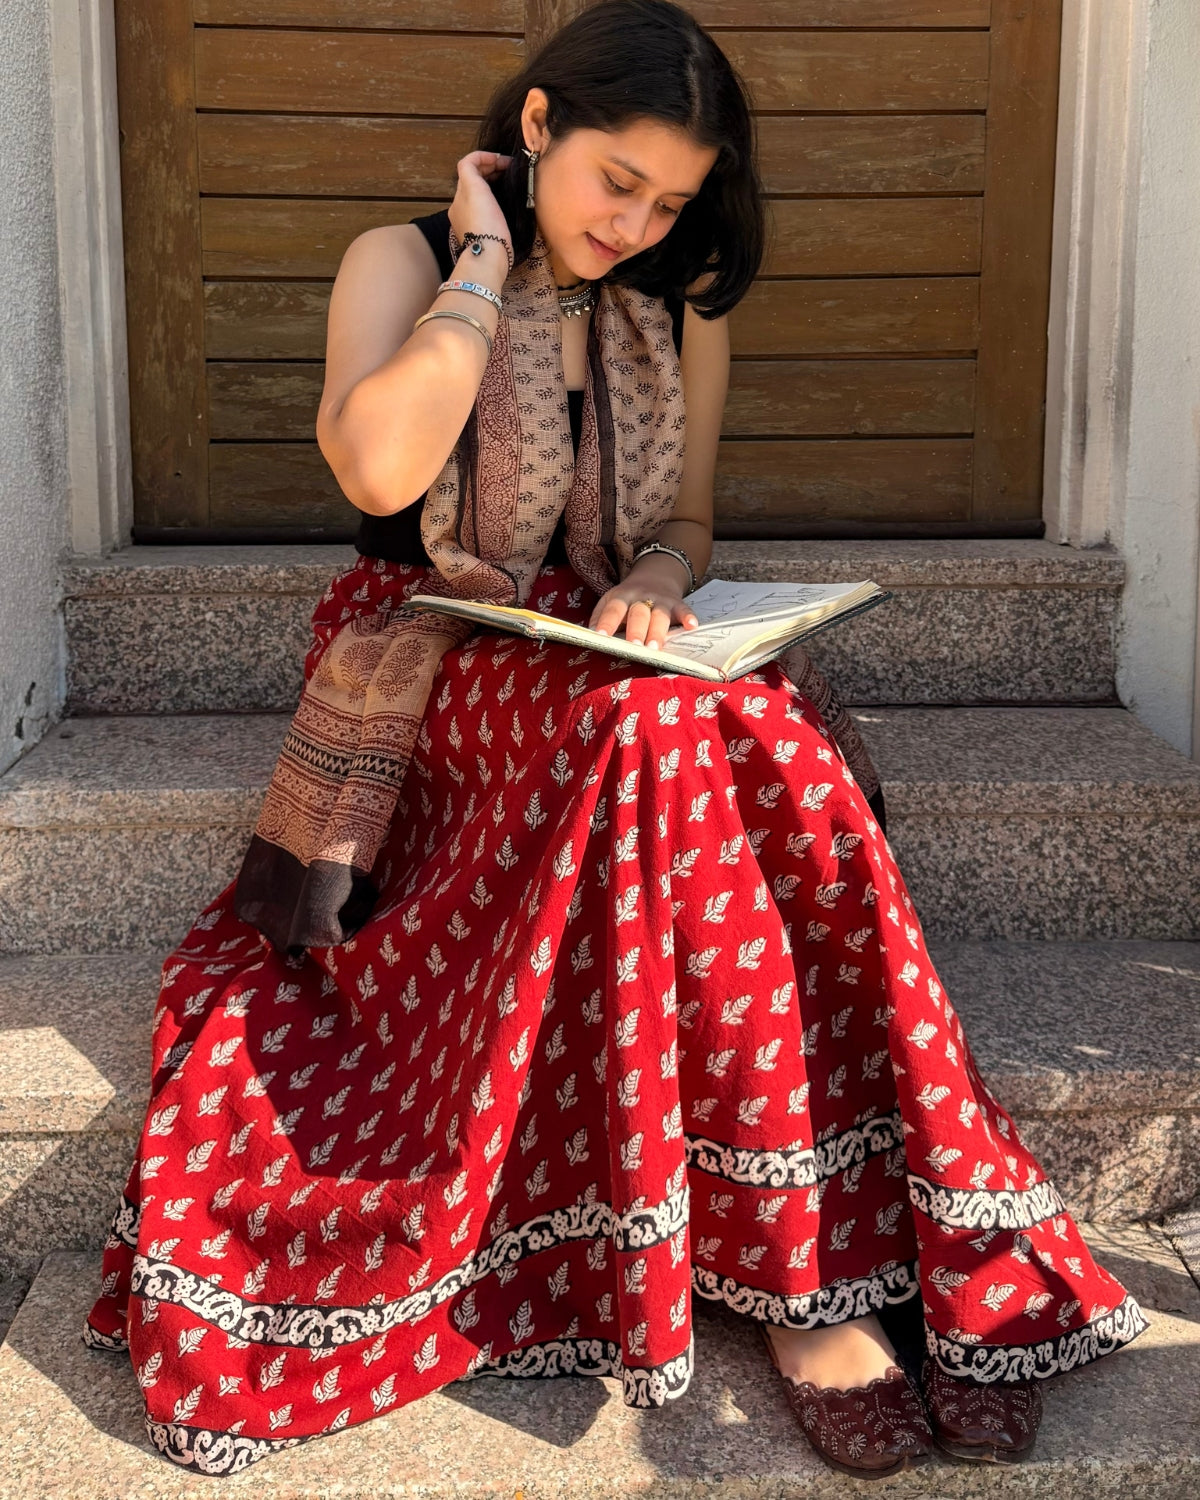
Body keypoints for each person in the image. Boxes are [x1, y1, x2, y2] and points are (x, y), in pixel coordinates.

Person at [84, 0, 1145, 1479]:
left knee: (733, 735)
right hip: (439, 649)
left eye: (671, 201)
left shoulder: (675, 307)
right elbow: (379, 460)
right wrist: (482, 259)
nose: (639, 224)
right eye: (616, 184)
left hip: (623, 650)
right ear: (537, 130)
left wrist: (656, 574)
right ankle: (803, 1285)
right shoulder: (400, 258)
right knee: (662, 740)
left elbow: (688, 521)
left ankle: (803, 1243)